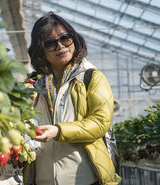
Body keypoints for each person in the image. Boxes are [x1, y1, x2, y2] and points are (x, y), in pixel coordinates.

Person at [22, 12, 121, 185]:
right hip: (41, 179)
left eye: (65, 38)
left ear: (74, 39)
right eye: (50, 43)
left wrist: (59, 131)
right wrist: (24, 102)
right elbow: (19, 122)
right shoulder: (33, 83)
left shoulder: (90, 77)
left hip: (85, 178)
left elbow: (100, 122)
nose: (60, 46)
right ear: (40, 49)